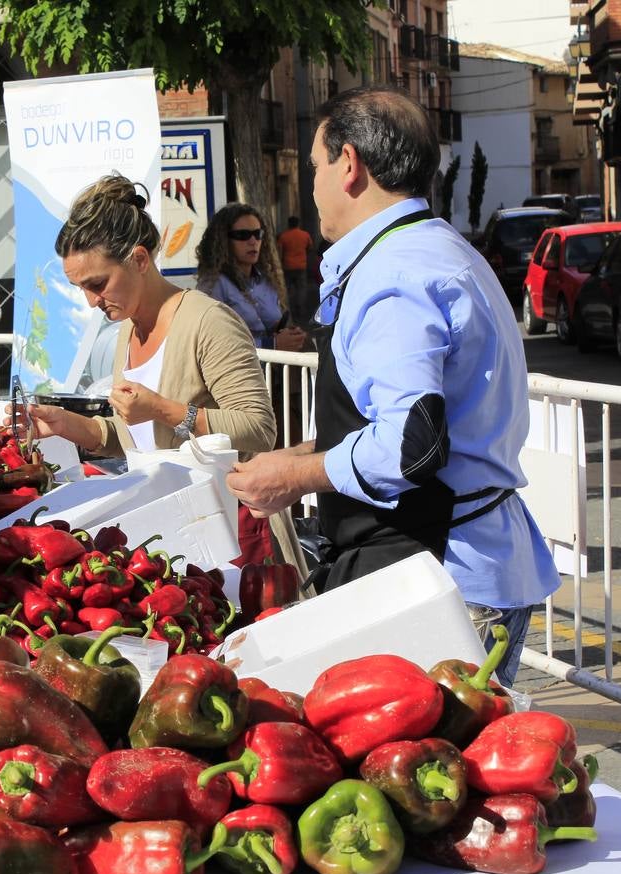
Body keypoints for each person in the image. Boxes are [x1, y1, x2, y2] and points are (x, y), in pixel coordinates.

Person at [226, 86, 559, 686]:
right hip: (459, 561)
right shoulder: (432, 249)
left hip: (436, 574)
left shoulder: (394, 274)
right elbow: (405, 419)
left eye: (316, 167)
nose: (314, 185)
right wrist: (300, 455)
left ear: (349, 164)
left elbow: (412, 443)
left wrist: (295, 477)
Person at [20, 175, 306, 574]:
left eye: (97, 284)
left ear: (139, 260)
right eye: (81, 289)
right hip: (171, 534)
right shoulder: (128, 327)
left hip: (228, 538)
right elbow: (134, 441)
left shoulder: (207, 321)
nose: (90, 301)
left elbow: (258, 429)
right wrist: (68, 424)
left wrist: (164, 409)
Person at [194, 203, 306, 352]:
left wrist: (290, 335)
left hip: (273, 371)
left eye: (258, 234)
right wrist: (271, 344)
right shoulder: (213, 285)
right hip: (239, 372)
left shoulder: (266, 280)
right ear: (223, 240)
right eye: (243, 235)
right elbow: (213, 344)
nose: (253, 241)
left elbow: (274, 324)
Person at [276, 215, 315, 323]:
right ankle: (300, 309)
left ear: (289, 224)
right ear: (298, 223)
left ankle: (289, 310)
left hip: (287, 266)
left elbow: (280, 251)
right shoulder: (305, 235)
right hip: (301, 266)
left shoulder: (284, 236)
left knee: (287, 289)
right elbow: (310, 248)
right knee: (301, 289)